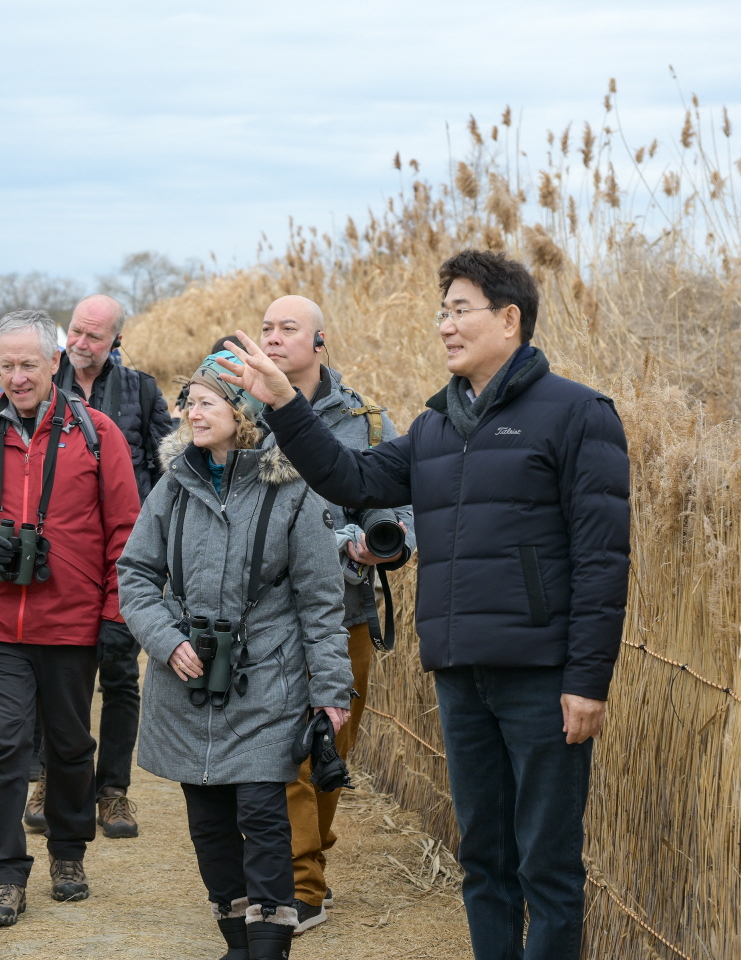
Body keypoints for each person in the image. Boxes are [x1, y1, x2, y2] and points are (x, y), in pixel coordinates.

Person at [218, 250, 631, 960]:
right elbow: (349, 475)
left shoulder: (578, 413)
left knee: (549, 866)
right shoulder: (436, 426)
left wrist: (586, 680)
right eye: (442, 311)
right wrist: (285, 404)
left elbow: (602, 561)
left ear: (510, 319)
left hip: (542, 675)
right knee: (484, 859)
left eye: (459, 310)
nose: (444, 325)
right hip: (459, 671)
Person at [117, 353, 353, 960]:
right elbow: (136, 576)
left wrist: (330, 691)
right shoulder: (174, 486)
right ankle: (237, 943)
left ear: (242, 412)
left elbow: (321, 601)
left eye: (205, 401)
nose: (191, 412)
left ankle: (269, 947)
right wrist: (168, 642)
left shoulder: (291, 488)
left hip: (267, 682)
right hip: (188, 683)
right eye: (188, 400)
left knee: (262, 812)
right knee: (209, 822)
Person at [0, 309, 141, 928]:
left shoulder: (98, 432)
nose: (18, 376)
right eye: (7, 365)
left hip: (73, 619)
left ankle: (68, 853)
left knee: (71, 744)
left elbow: (126, 532)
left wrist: (115, 616)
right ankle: (2, 876)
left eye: (30, 363)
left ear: (55, 363)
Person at [252, 295, 416, 935]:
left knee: (330, 748)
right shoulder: (241, 413)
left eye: (287, 328)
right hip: (265, 616)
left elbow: (404, 505)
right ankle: (301, 885)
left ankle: (307, 852)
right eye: (266, 327)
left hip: (348, 611)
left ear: (320, 343)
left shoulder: (366, 422)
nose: (273, 337)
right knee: (284, 752)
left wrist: (385, 540)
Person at [22, 293, 171, 840]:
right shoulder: (43, 382)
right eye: (76, 334)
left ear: (117, 342)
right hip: (55, 556)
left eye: (94, 337)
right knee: (52, 673)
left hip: (127, 555)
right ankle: (45, 780)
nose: (81, 346)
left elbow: (168, 463)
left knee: (120, 674)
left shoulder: (143, 391)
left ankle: (113, 792)